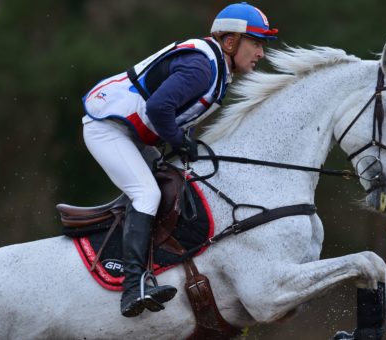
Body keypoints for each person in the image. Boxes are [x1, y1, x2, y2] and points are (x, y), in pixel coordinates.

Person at [81, 2, 278, 317]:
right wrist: (179, 142)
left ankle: (145, 265)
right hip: (109, 129)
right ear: (230, 41)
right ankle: (133, 287)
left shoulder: (217, 68)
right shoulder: (202, 67)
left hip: (132, 133)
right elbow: (160, 109)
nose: (260, 53)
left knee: (169, 187)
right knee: (147, 193)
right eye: (255, 42)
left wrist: (181, 142)